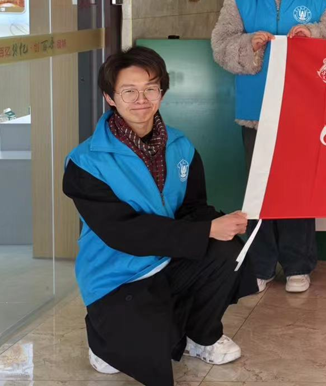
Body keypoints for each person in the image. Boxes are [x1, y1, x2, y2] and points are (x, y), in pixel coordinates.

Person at [62, 47, 257, 386]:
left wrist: (225, 222)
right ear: (110, 97)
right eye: (129, 91)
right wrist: (206, 230)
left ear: (162, 93)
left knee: (227, 251)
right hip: (117, 274)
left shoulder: (180, 146)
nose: (141, 100)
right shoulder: (85, 162)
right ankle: (103, 338)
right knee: (141, 353)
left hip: (168, 258)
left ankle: (201, 335)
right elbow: (123, 232)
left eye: (150, 89)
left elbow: (192, 207)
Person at [211, 0, 326, 294]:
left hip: (305, 109)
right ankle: (262, 263)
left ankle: (299, 264)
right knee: (260, 189)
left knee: (299, 187)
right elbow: (221, 43)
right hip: (257, 108)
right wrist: (250, 44)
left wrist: (313, 34)